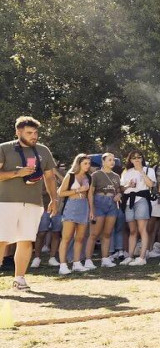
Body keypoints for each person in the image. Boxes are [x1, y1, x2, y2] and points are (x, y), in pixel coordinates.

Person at [0, 116, 59, 289]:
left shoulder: (43, 150)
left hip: (34, 203)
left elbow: (49, 177)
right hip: (6, 202)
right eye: (29, 133)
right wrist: (16, 173)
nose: (34, 136)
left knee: (26, 240)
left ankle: (19, 279)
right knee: (2, 240)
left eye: (35, 132)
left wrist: (54, 199)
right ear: (18, 132)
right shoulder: (5, 148)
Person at [120, 150, 156, 266]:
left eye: (139, 157)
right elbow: (122, 188)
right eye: (133, 157)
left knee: (142, 229)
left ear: (142, 159)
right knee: (132, 230)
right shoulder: (126, 172)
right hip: (129, 201)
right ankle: (130, 256)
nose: (136, 159)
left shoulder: (148, 170)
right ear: (130, 160)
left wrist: (141, 171)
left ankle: (142, 257)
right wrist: (128, 185)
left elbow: (151, 185)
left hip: (142, 200)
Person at [57, 154, 93, 273]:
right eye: (85, 163)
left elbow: (89, 195)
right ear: (79, 164)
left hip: (84, 206)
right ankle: (63, 265)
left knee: (80, 237)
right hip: (71, 206)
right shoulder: (70, 175)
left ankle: (77, 263)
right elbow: (60, 193)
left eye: (88, 163)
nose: (87, 166)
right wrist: (78, 190)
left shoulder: (88, 177)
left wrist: (92, 210)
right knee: (66, 237)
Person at [85, 153, 122, 268]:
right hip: (99, 202)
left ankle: (105, 258)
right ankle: (88, 260)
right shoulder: (96, 175)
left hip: (112, 203)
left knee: (107, 233)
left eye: (113, 160)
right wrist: (92, 209)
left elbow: (119, 190)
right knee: (94, 234)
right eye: (109, 160)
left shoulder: (116, 176)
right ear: (103, 161)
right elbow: (90, 192)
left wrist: (119, 195)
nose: (112, 162)